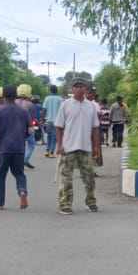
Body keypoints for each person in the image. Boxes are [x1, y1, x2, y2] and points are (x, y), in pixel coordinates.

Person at [54, 79, 101, 214]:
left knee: (89, 177)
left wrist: (96, 146)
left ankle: (91, 202)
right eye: (76, 86)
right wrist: (60, 145)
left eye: (82, 86)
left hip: (86, 147)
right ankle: (65, 204)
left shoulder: (91, 106)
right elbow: (58, 127)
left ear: (86, 89)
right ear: (72, 89)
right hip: (68, 147)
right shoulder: (66, 105)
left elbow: (95, 128)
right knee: (66, 178)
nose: (79, 89)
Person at [0, 86, 29, 211]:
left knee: (1, 175)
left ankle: (0, 203)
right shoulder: (23, 111)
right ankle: (22, 191)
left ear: (4, 96)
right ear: (16, 96)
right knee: (19, 174)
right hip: (19, 147)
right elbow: (29, 131)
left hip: (4, 147)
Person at [41, 86, 64, 156]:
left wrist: (42, 119)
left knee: (49, 136)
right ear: (57, 90)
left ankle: (47, 150)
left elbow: (44, 109)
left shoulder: (47, 98)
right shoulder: (60, 99)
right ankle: (51, 152)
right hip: (57, 121)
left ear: (50, 90)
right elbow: (63, 110)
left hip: (48, 120)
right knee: (54, 137)